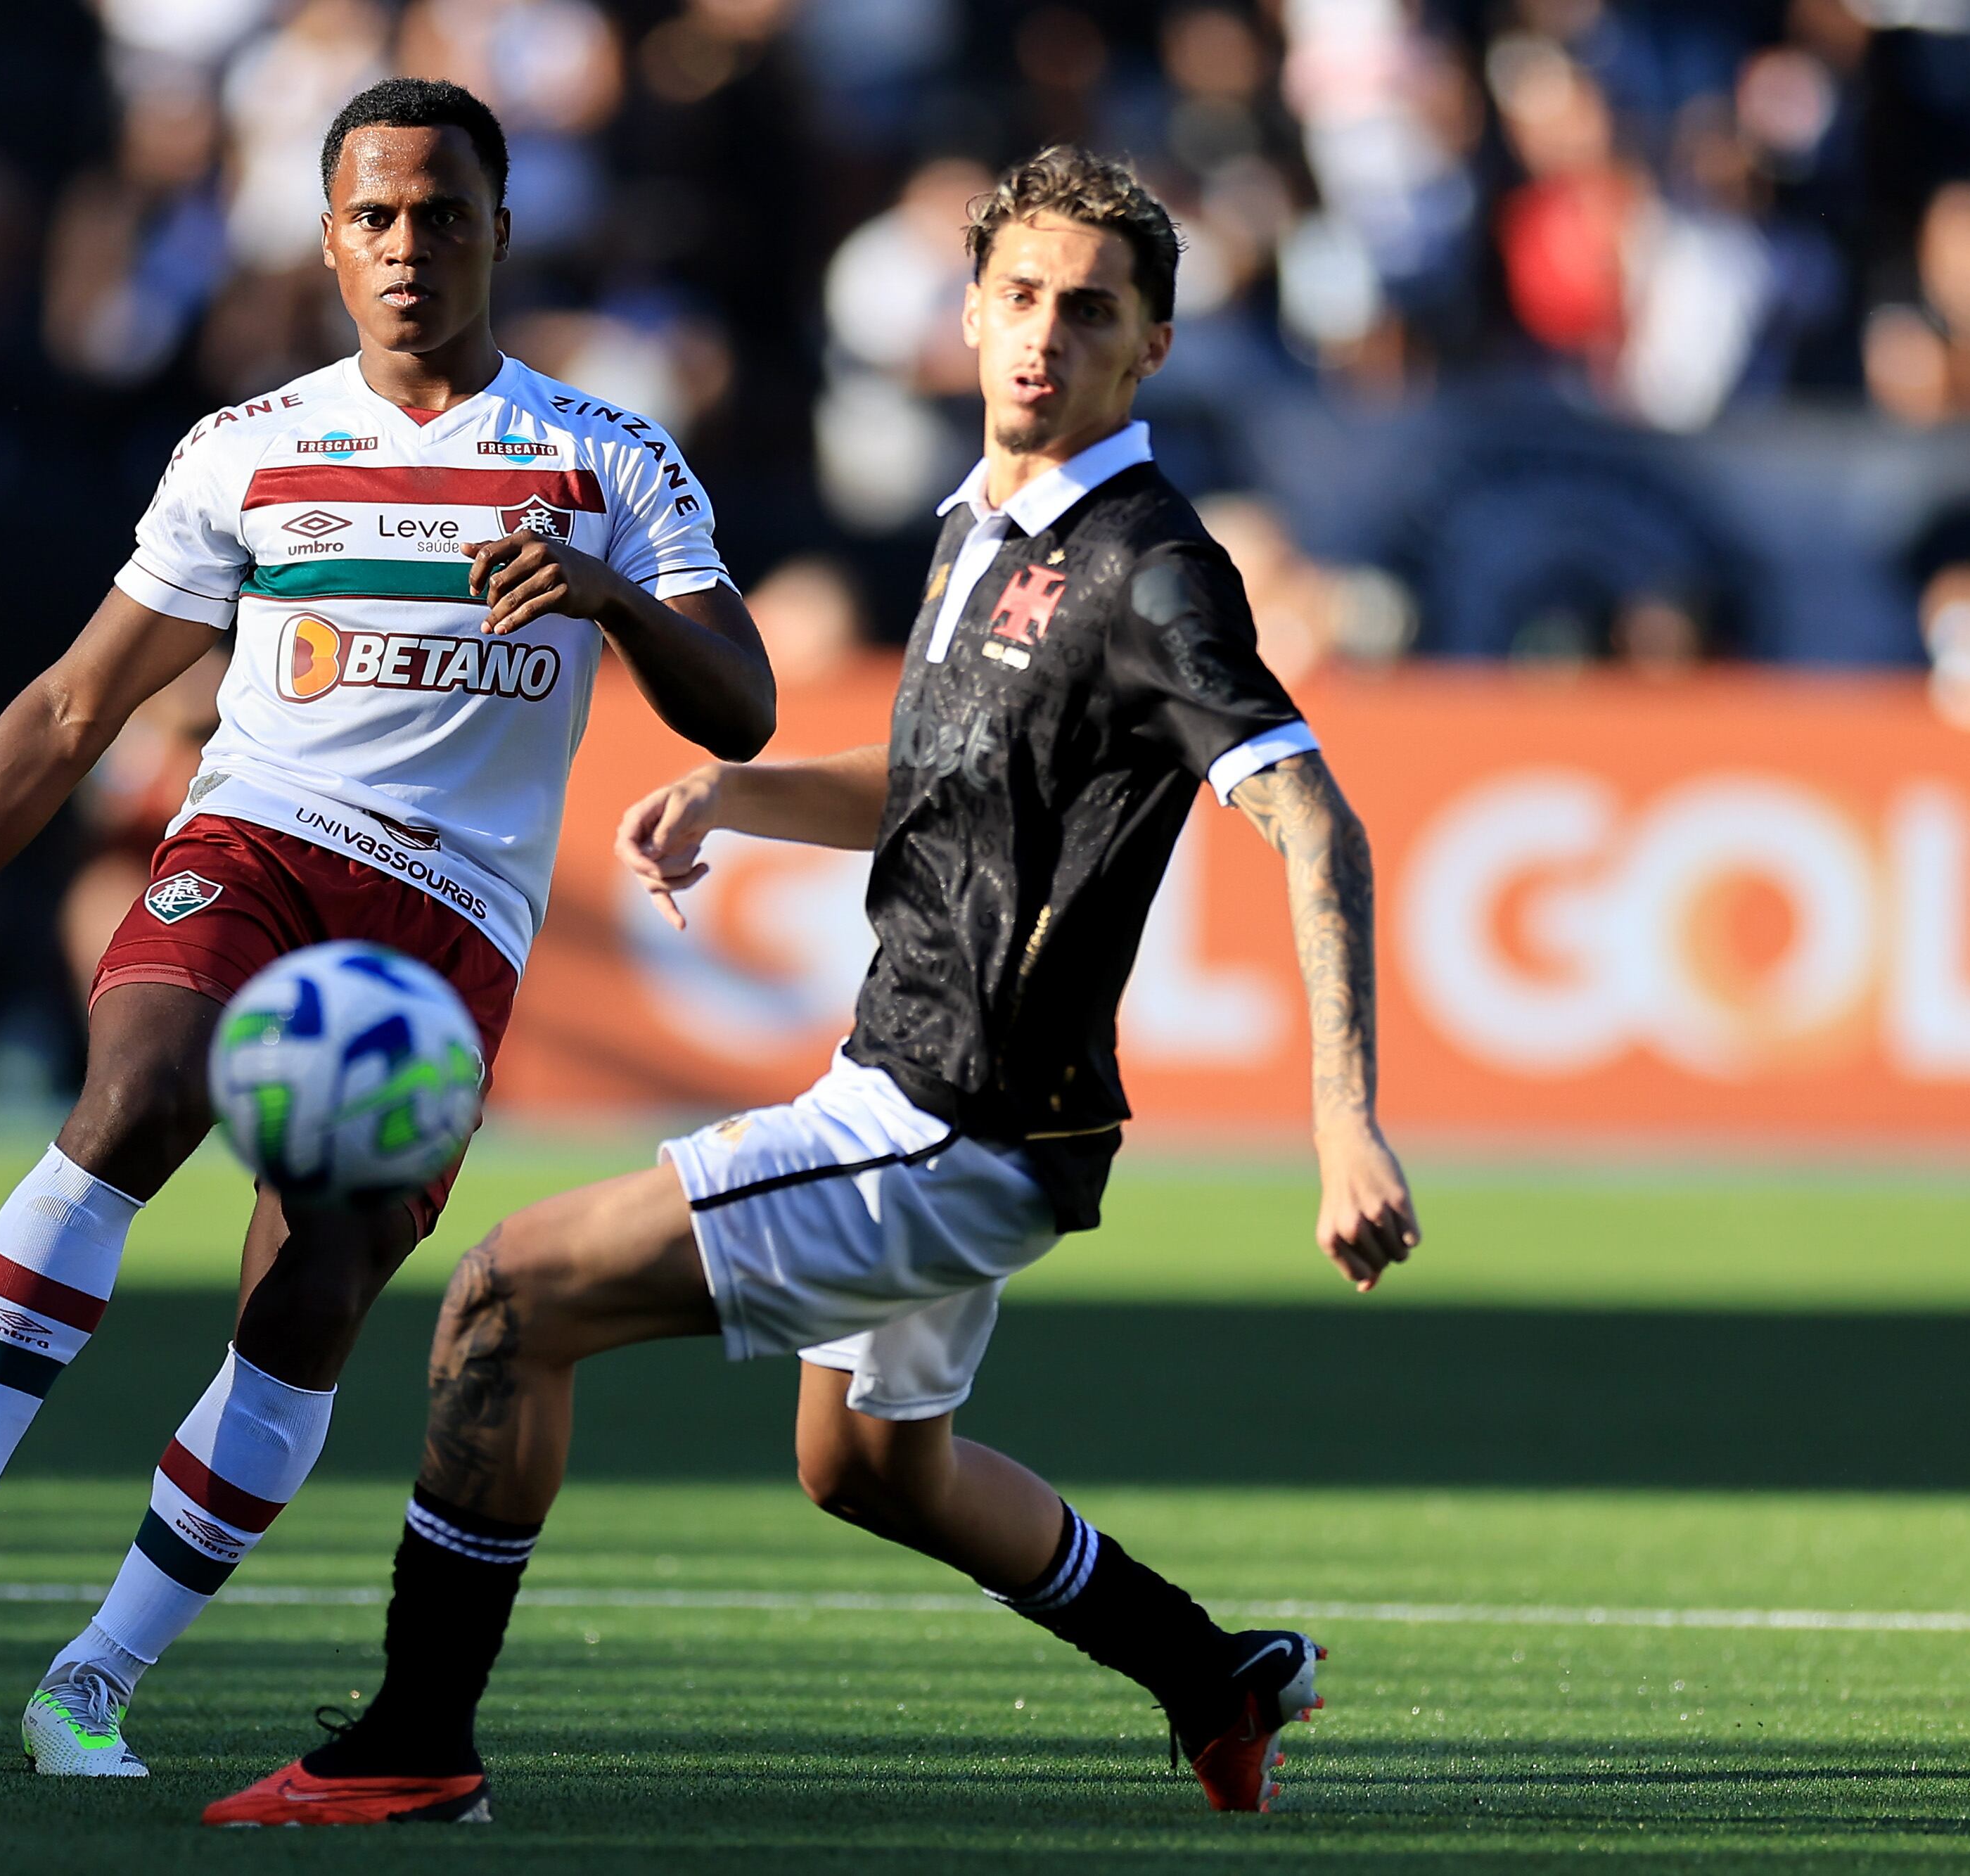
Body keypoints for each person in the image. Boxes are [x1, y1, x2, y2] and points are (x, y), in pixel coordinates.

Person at [205, 146, 1419, 1828]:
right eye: (1018, 297)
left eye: (1089, 312)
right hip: (944, 1101)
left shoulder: (1147, 568)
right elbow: (945, 777)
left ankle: (415, 1742)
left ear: (1150, 347)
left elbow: (1311, 814)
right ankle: (1208, 1673)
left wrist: (1343, 1122)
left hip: (949, 1119)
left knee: (502, 1297)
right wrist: (739, 793)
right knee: (865, 1463)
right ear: (966, 311)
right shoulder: (983, 522)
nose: (1043, 335)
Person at [0, 77, 772, 1777]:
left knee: (312, 1295)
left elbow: (738, 702)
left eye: (440, 213)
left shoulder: (608, 456)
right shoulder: (247, 449)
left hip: (446, 925)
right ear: (326, 240)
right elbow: (73, 706)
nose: (407, 245)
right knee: (139, 1090)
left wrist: (606, 594)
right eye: (374, 216)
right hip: (262, 844)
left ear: (500, 231)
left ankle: (94, 1676)